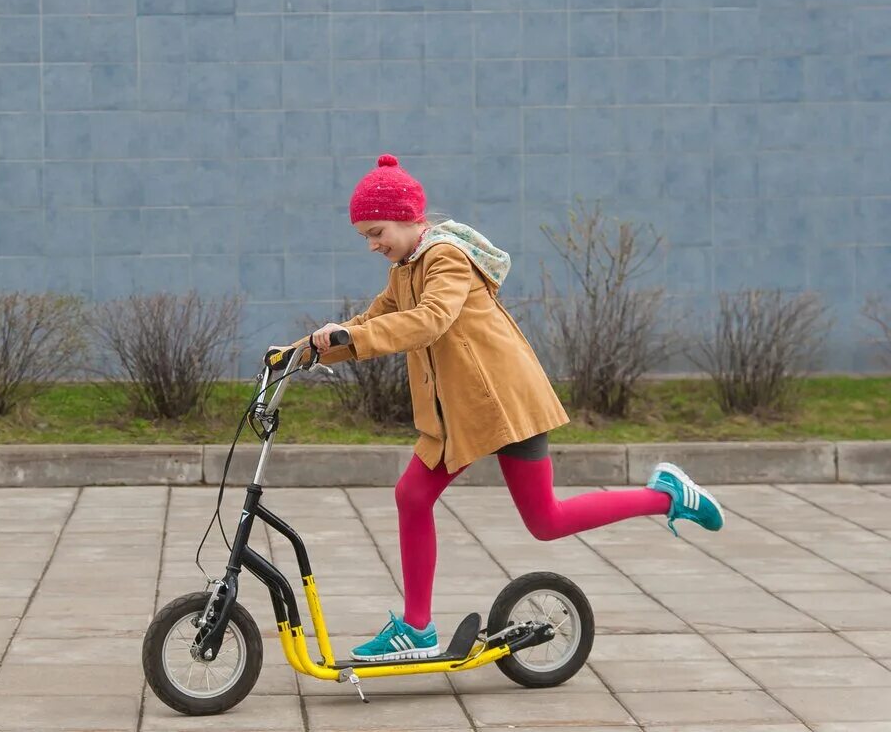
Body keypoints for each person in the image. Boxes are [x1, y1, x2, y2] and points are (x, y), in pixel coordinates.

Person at [295, 154, 724, 663]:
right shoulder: (403, 271)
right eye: (365, 236)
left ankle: (666, 496)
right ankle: (417, 627)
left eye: (377, 231)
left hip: (504, 403)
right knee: (412, 496)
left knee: (545, 520)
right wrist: (302, 351)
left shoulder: (445, 259)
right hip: (459, 414)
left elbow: (430, 320)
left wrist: (353, 337)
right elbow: (370, 322)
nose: (372, 245)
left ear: (410, 216)